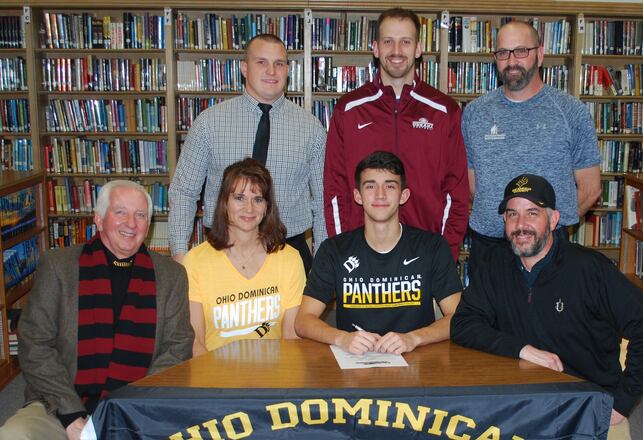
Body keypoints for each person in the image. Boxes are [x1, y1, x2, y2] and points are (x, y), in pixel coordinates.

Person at [451, 174, 643, 440]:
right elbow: (463, 325)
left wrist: (621, 403)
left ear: (553, 220)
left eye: (532, 213)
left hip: (583, 401)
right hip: (520, 402)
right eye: (512, 214)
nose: (521, 225)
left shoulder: (590, 269)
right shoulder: (495, 264)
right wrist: (523, 350)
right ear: (504, 221)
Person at [0, 181, 194, 440]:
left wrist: (130, 406)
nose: (131, 223)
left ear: (149, 224)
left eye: (141, 215)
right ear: (99, 220)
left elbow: (178, 347)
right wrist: (71, 416)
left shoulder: (172, 276)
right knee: (14, 435)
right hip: (61, 405)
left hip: (138, 408)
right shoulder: (58, 267)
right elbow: (35, 345)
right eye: (120, 212)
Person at [169, 33, 326, 273]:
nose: (271, 71)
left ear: (288, 69)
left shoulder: (311, 128)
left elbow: (323, 200)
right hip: (223, 250)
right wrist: (180, 257)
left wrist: (323, 260)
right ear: (244, 68)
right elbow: (184, 192)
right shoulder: (209, 123)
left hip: (288, 252)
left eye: (279, 63)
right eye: (261, 62)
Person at [323, 8, 469, 260]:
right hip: (361, 254)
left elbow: (456, 192)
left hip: (426, 253)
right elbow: (335, 190)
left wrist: (445, 256)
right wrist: (341, 251)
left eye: (405, 41)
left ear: (418, 48)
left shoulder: (444, 111)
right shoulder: (348, 110)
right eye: (388, 41)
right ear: (376, 48)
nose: (397, 50)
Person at [463, 20, 601, 273]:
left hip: (548, 248)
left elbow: (590, 189)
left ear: (539, 54)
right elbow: (473, 186)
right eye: (503, 53)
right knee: (484, 314)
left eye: (521, 51)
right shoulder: (474, 113)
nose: (512, 60)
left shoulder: (572, 112)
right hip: (489, 247)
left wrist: (544, 230)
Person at [296, 151, 461, 355]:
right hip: (354, 365)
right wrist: (342, 338)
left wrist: (413, 338)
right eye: (370, 186)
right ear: (358, 195)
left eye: (390, 186)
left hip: (416, 364)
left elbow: (458, 316)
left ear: (404, 195)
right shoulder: (334, 250)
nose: (380, 194)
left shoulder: (432, 247)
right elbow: (303, 320)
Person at [183, 159, 305, 355]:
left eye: (258, 199)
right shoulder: (195, 262)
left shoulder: (289, 259)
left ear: (266, 207)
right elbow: (196, 342)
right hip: (216, 378)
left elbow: (291, 338)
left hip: (273, 378)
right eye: (239, 198)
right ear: (224, 203)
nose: (249, 209)